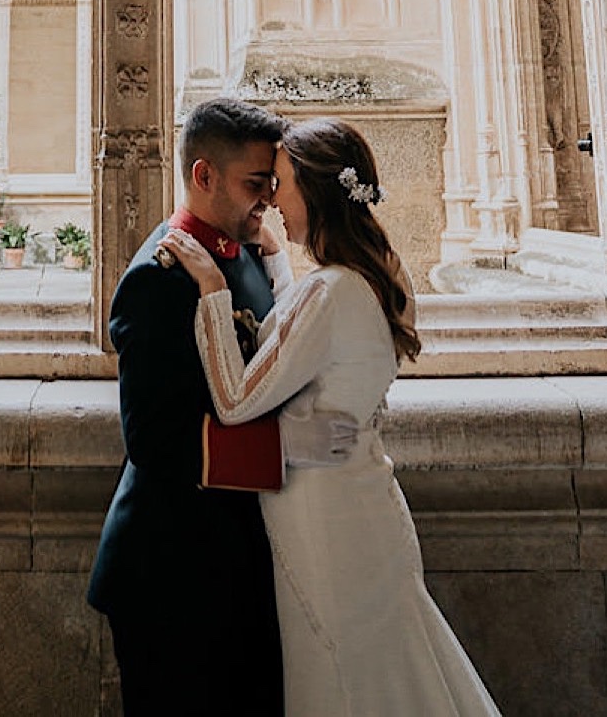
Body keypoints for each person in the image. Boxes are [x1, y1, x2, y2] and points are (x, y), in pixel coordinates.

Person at [161, 117, 503, 717]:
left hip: (326, 525)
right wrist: (277, 267)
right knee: (387, 667)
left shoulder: (330, 294)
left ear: (315, 193)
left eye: (281, 183)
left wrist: (214, 291)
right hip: (361, 502)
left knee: (344, 678)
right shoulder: (377, 272)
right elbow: (319, 346)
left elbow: (238, 400)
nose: (271, 200)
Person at [88, 96, 360, 717]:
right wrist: (282, 448)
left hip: (231, 567)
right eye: (254, 184)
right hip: (172, 574)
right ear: (203, 176)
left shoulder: (244, 250)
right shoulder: (161, 277)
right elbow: (156, 441)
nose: (267, 198)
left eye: (272, 183)